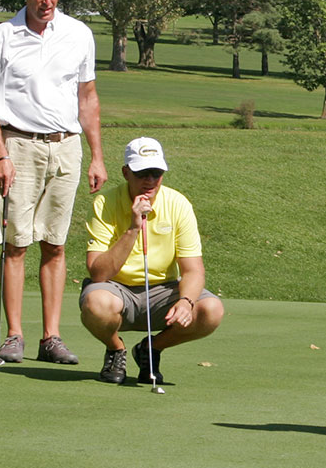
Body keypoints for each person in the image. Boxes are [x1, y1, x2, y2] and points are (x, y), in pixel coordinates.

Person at [0, 0, 107, 365]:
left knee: (56, 243)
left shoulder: (79, 34)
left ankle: (51, 337)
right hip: (19, 146)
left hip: (66, 147)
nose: (46, 0)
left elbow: (88, 98)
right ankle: (14, 335)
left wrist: (97, 155)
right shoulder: (1, 36)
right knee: (17, 244)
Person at [79, 137, 224, 385]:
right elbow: (98, 274)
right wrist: (133, 229)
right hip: (116, 289)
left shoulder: (178, 204)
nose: (149, 180)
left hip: (162, 291)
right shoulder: (105, 203)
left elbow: (193, 271)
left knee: (211, 310)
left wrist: (187, 303)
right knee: (96, 302)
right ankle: (116, 350)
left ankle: (150, 349)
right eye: (142, 172)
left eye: (156, 173)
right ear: (126, 172)